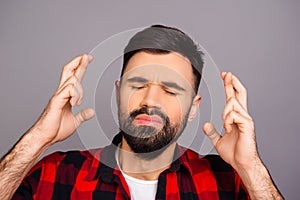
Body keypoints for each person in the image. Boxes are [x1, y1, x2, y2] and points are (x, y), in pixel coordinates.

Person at [0, 25, 283, 200]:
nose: (149, 100)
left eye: (171, 90)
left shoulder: (227, 182)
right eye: (137, 84)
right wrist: (39, 138)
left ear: (193, 107)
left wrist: (250, 167)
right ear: (118, 92)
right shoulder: (58, 174)